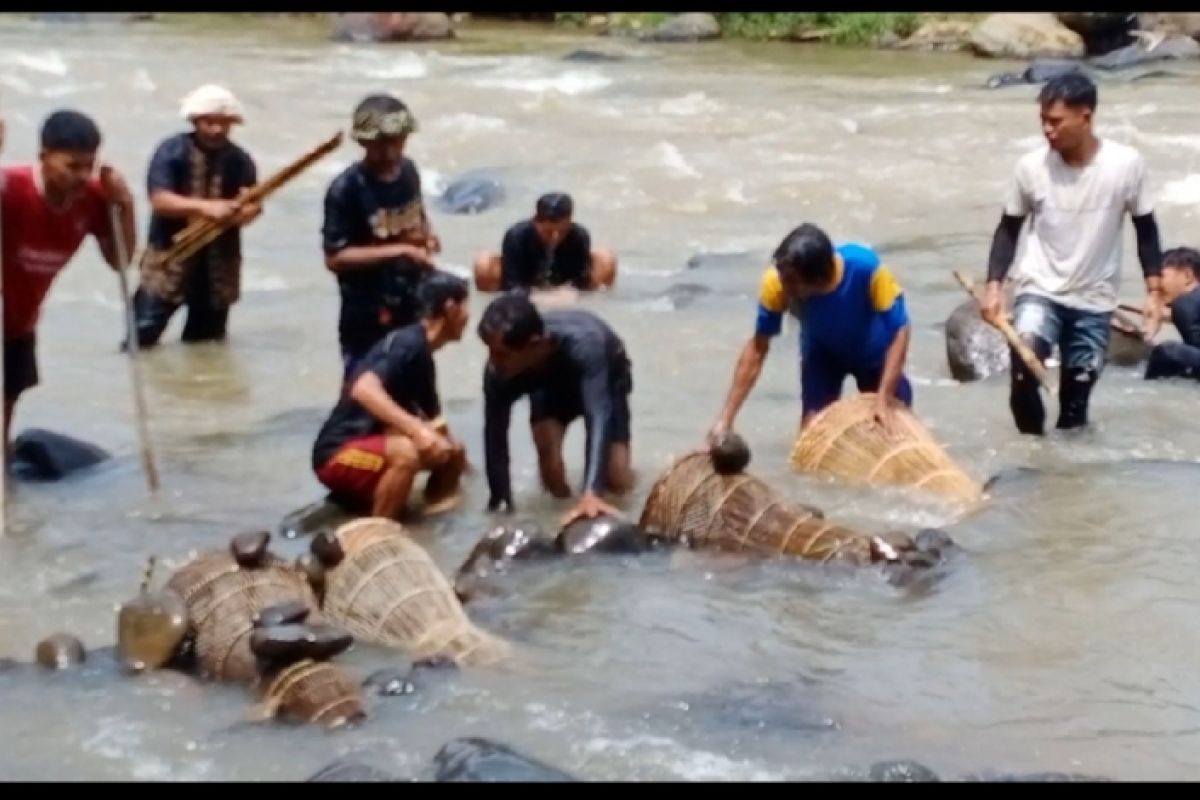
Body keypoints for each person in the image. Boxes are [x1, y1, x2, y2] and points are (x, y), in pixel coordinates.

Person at [981, 72, 1164, 435]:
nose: (1048, 130)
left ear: (1086, 116)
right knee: (1023, 367)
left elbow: (1146, 229)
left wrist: (1154, 293)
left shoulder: (1124, 165)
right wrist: (994, 286)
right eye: (1043, 122)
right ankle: (1032, 454)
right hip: (1039, 289)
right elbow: (1008, 229)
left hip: (1094, 300)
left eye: (1056, 121)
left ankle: (1064, 477)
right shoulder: (1031, 168)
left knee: (1074, 410)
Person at [2, 109, 136, 447]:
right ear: (44, 157)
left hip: (21, 319)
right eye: (71, 166)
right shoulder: (11, 188)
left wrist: (125, 205)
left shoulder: (93, 198)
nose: (81, 176)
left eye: (87, 166)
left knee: (7, 408)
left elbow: (119, 260)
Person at [708, 223, 912, 443]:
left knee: (894, 433)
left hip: (875, 355)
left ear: (818, 280)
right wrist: (725, 419)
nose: (783, 287)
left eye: (791, 282)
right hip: (822, 356)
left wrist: (883, 399)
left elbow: (900, 329)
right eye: (781, 277)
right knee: (812, 436)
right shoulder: (776, 284)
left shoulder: (866, 269)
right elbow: (757, 349)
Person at [311, 272, 470, 520]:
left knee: (454, 451)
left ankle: (431, 522)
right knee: (406, 453)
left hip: (375, 447)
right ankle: (381, 533)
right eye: (466, 307)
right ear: (450, 308)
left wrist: (463, 467)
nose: (468, 317)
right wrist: (417, 430)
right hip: (337, 454)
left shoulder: (423, 358)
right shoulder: (407, 343)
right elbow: (363, 389)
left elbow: (438, 429)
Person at [478, 294, 634, 524]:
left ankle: (594, 499)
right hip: (546, 385)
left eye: (501, 354)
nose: (492, 363)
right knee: (550, 465)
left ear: (534, 345)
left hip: (604, 376)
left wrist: (591, 493)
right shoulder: (500, 372)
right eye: (489, 351)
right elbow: (495, 437)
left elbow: (598, 415)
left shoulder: (587, 346)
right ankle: (563, 517)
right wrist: (501, 501)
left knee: (616, 478)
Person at [322, 93, 443, 382]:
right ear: (363, 143)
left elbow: (417, 213)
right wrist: (400, 251)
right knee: (366, 389)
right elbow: (335, 257)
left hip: (412, 297)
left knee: (414, 384)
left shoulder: (409, 171)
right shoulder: (346, 189)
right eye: (380, 144)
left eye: (396, 141)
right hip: (366, 308)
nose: (389, 151)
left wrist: (427, 235)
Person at [130, 84, 260, 348]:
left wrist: (241, 214)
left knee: (206, 345)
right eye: (209, 122)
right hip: (169, 259)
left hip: (218, 265)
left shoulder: (240, 160)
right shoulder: (171, 151)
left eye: (224, 123)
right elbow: (160, 200)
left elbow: (254, 204)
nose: (217, 130)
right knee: (141, 338)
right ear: (195, 121)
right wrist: (207, 208)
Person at [472, 192, 617, 294]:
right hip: (526, 281)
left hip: (563, 286)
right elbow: (512, 284)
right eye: (548, 231)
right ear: (536, 221)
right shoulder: (517, 235)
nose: (554, 237)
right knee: (484, 263)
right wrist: (540, 297)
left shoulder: (579, 235)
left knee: (605, 257)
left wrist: (571, 293)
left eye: (561, 231)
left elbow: (581, 279)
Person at [1144, 247, 1200, 381]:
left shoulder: (1185, 303)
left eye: (1161, 276)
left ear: (1187, 276)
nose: (1156, 285)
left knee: (1167, 352)